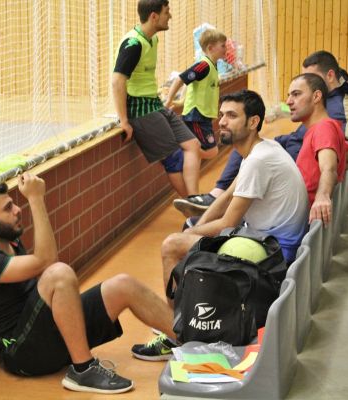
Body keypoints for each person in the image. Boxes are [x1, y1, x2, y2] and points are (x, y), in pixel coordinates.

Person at [131, 90, 309, 360]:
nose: (222, 122)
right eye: (222, 115)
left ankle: (175, 333)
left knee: (171, 246)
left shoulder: (258, 161)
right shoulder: (261, 150)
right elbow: (225, 197)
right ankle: (180, 321)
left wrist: (189, 236)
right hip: (266, 243)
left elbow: (228, 222)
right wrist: (194, 228)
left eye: (232, 116)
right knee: (187, 234)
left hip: (271, 258)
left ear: (253, 122)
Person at [0, 173, 176, 394]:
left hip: (45, 333)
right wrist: (36, 198)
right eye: (8, 208)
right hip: (22, 354)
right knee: (59, 274)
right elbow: (47, 262)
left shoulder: (8, 239)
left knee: (123, 285)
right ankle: (83, 370)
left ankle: (190, 341)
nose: (18, 210)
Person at [174, 50, 348, 218]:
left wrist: (324, 190)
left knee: (254, 159)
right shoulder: (326, 103)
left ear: (330, 76)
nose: (290, 100)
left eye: (309, 79)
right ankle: (218, 196)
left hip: (297, 157)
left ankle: (223, 208)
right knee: (246, 141)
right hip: (294, 141)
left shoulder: (339, 107)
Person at [112, 0, 201, 198]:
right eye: (166, 12)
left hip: (154, 104)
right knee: (174, 159)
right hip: (140, 109)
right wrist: (124, 120)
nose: (170, 16)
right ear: (154, 16)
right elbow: (117, 81)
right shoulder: (133, 44)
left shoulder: (152, 40)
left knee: (193, 145)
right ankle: (194, 209)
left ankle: (195, 200)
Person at [161, 29, 227, 176]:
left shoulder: (213, 66)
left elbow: (191, 85)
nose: (226, 49)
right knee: (212, 151)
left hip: (202, 116)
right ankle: (183, 150)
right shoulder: (204, 66)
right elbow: (181, 78)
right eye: (223, 45)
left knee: (197, 154)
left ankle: (192, 184)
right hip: (196, 117)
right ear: (210, 48)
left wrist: (182, 101)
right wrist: (169, 100)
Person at [287, 73, 348, 225]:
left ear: (316, 97)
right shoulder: (329, 127)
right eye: (289, 95)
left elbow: (329, 168)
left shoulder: (323, 128)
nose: (288, 101)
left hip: (298, 220)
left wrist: (322, 196)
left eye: (296, 94)